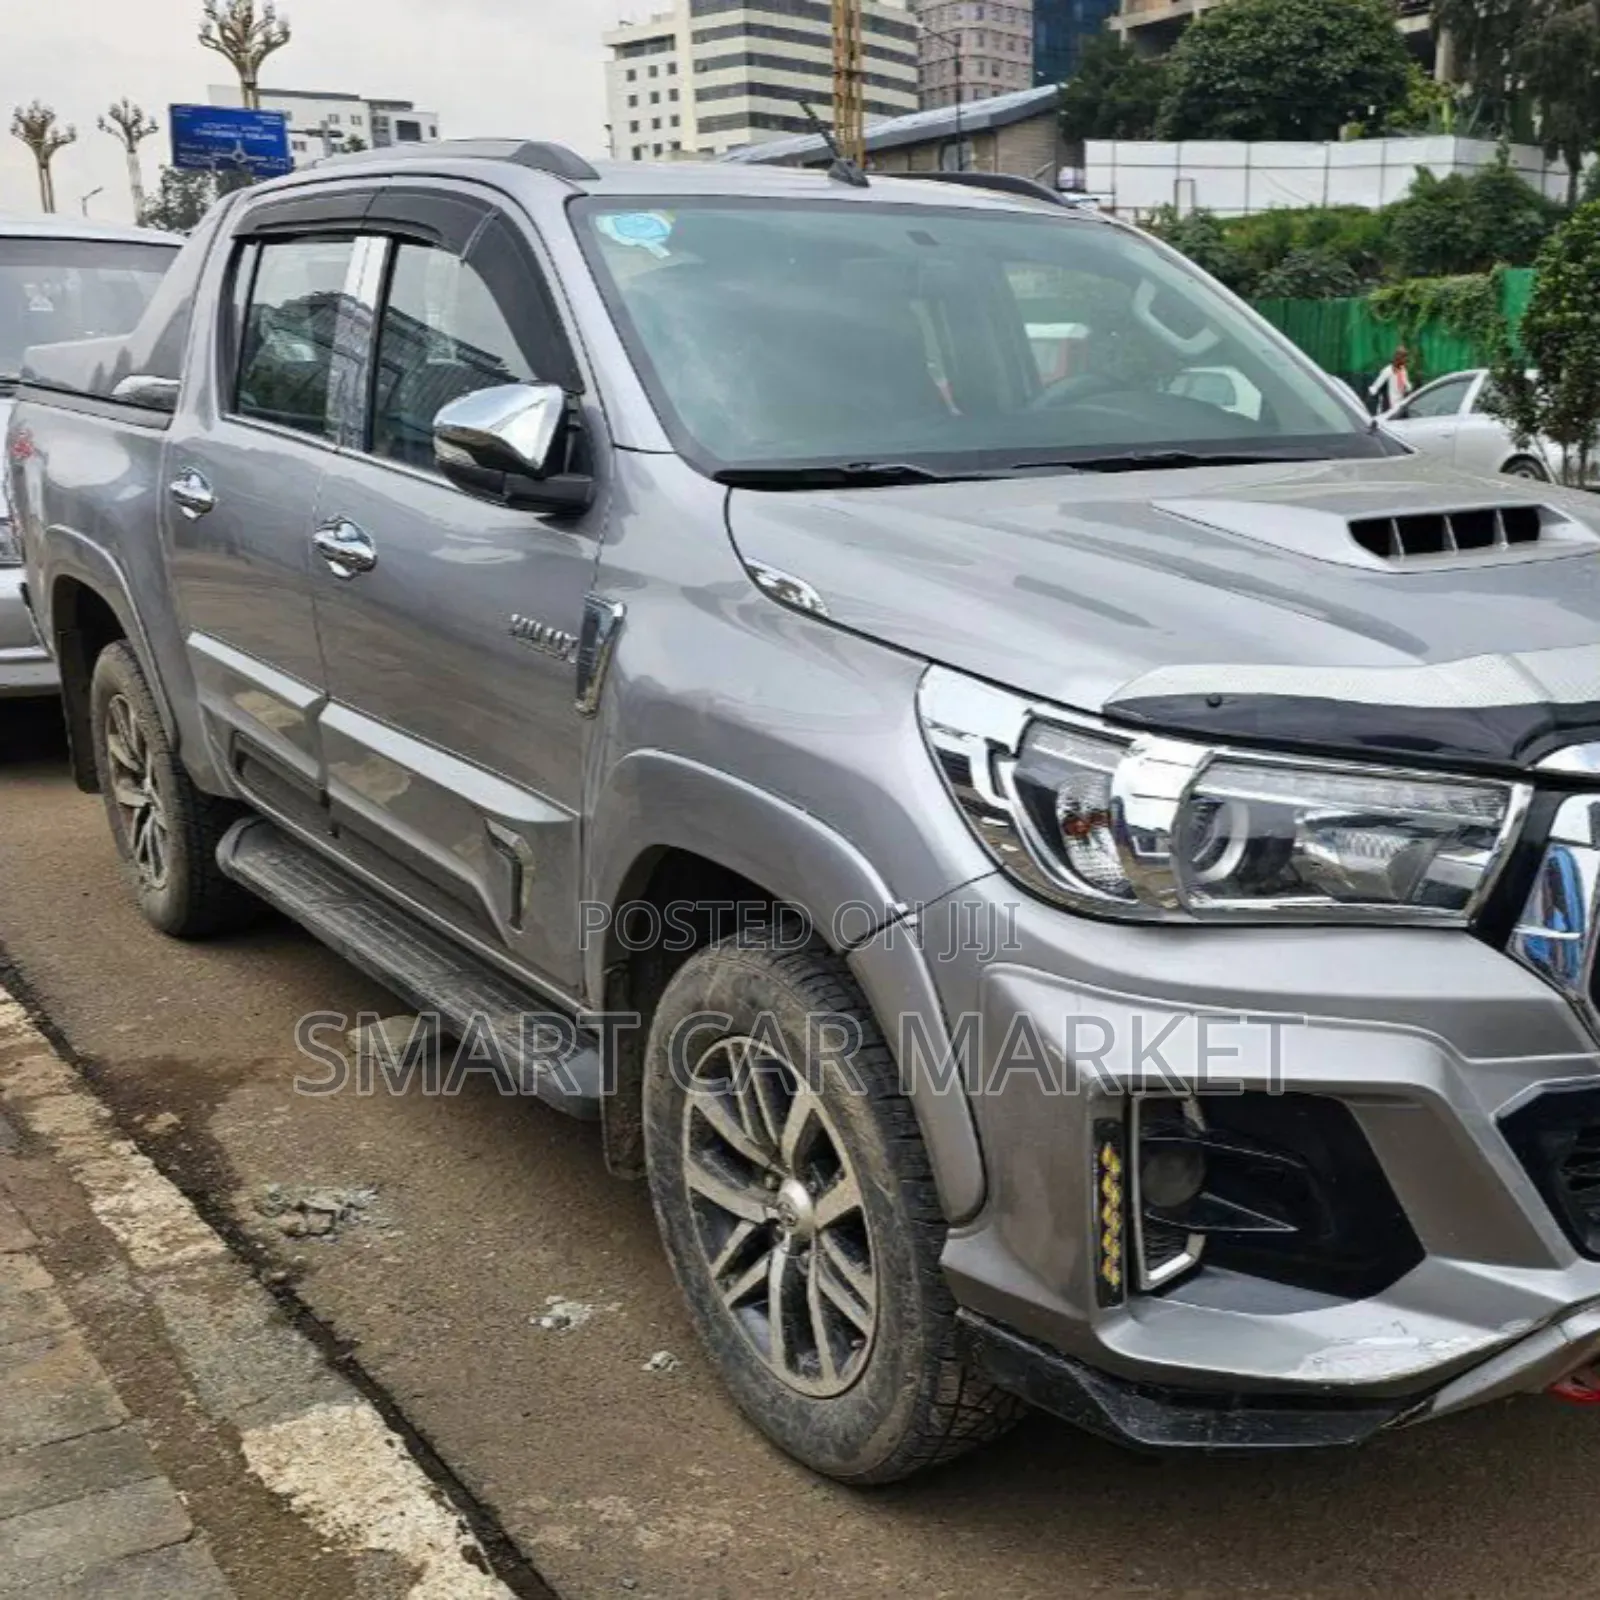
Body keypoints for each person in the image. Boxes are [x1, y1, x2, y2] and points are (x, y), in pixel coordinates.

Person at [1368, 346, 1413, 414]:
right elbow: (1376, 387)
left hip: (1399, 407)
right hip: (1388, 409)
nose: (1405, 359)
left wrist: (1408, 387)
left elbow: (1407, 386)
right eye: (1403, 357)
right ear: (1398, 358)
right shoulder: (1387, 371)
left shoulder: (1403, 371)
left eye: (1405, 357)